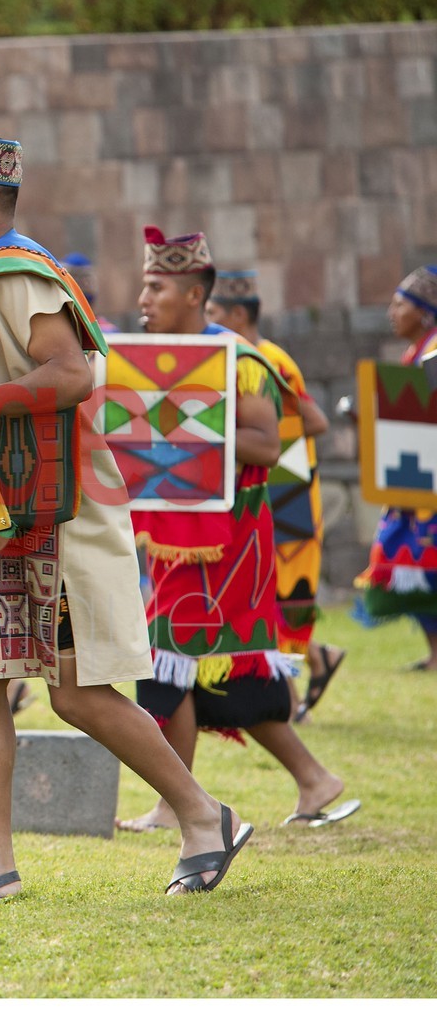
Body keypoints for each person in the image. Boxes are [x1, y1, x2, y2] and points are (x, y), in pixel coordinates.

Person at [0, 131, 250, 900]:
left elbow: (71, 373)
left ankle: (205, 816)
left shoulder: (15, 272)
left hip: (51, 509)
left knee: (74, 686)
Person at [123, 225, 358, 833]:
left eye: (156, 287)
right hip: (170, 536)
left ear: (194, 294)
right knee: (200, 666)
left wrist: (183, 428)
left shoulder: (240, 359)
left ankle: (180, 805)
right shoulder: (148, 362)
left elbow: (266, 443)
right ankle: (311, 779)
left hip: (227, 541)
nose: (143, 299)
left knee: (172, 658)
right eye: (144, 286)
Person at [204, 270, 344, 721]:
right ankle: (316, 664)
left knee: (281, 593)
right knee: (262, 592)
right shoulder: (232, 354)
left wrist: (265, 441)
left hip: (284, 490)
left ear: (237, 315)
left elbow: (316, 421)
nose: (207, 319)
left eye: (213, 311)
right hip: (264, 485)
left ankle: (297, 689)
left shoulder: (269, 360)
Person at [355, 265, 437, 672]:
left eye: (400, 304)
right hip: (415, 483)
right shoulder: (415, 353)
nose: (391, 313)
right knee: (409, 560)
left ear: (424, 312)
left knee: (421, 561)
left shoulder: (434, 351)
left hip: (428, 484)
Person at [60, 253, 118, 333]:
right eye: (75, 278)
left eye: (85, 278)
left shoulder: (108, 330)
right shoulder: (107, 330)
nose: (81, 283)